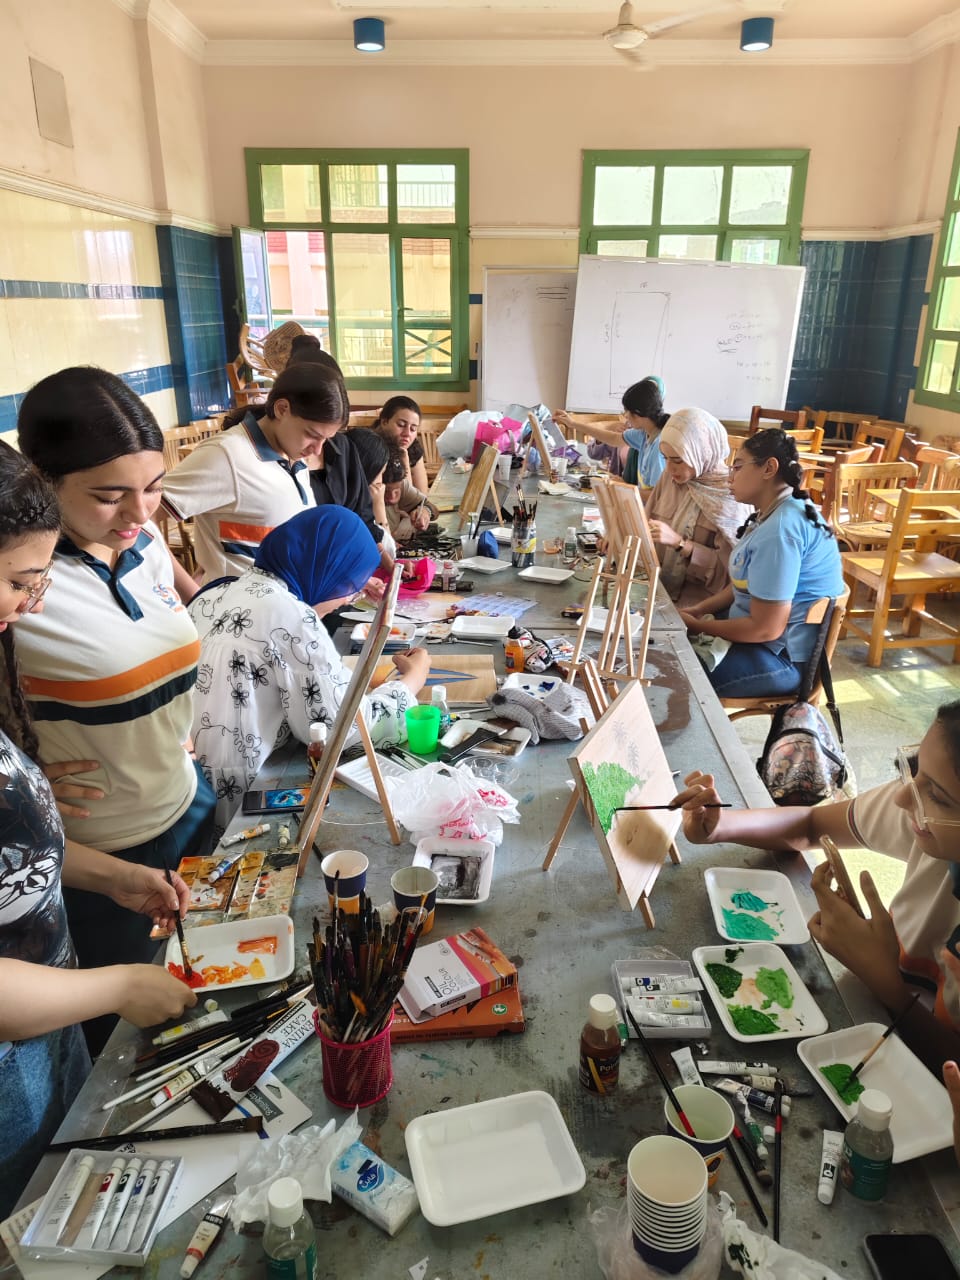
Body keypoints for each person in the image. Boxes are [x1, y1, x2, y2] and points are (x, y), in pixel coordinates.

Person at [0, 441, 195, 1210]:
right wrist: (116, 985)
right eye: (19, 581)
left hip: (43, 1028)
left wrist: (112, 875)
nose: (33, 603)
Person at [16, 367, 215, 1054]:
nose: (138, 514)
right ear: (44, 481)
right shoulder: (23, 580)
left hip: (187, 809)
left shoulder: (144, 545)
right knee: (131, 1053)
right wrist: (24, 773)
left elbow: (170, 645)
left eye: (154, 488)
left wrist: (174, 726)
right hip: (100, 858)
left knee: (215, 1000)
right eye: (108, 496)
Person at [676, 702, 960, 1079]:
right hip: (875, 1013)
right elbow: (812, 825)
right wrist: (718, 825)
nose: (902, 799)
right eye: (913, 771)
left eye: (937, 795)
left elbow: (950, 1066)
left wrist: (886, 982)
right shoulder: (926, 821)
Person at [189, 506, 430, 834]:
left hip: (188, 793)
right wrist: (412, 680)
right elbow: (340, 726)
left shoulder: (216, 591)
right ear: (326, 572)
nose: (346, 601)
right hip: (237, 809)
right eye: (349, 589)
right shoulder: (289, 615)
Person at [679, 428, 844, 699]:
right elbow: (746, 585)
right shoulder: (775, 513)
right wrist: (698, 610)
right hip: (761, 643)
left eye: (738, 467)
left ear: (769, 468)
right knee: (665, 645)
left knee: (674, 672)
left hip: (780, 659)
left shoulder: (781, 530)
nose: (730, 477)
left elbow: (765, 628)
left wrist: (698, 625)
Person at [162, 364, 352, 581]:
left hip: (284, 608)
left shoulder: (293, 458)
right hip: (237, 611)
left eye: (326, 439)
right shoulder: (226, 455)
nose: (317, 450)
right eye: (312, 434)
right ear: (282, 409)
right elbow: (141, 520)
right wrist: (187, 592)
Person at [644, 408, 751, 609]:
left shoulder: (731, 495)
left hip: (698, 606)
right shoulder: (670, 479)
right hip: (653, 590)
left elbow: (730, 578)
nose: (669, 468)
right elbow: (644, 523)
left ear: (701, 453)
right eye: (665, 458)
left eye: (677, 460)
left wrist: (680, 544)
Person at [556, 376, 669, 490]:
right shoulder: (643, 434)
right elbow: (614, 439)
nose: (625, 416)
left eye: (627, 411)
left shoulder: (658, 447)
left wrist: (625, 486)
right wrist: (573, 423)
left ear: (638, 413)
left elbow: (656, 497)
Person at [368, 396, 430, 493]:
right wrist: (404, 463)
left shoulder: (413, 448)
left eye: (413, 429)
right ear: (384, 422)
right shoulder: (371, 447)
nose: (407, 433)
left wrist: (405, 460)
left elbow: (421, 495)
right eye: (401, 425)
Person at [381, 451, 435, 544]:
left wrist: (425, 511)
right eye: (386, 491)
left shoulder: (401, 483)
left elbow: (429, 506)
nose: (392, 498)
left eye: (397, 491)